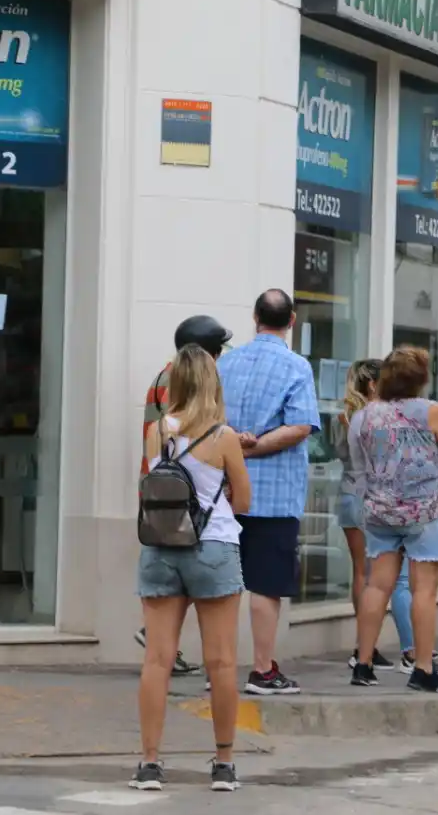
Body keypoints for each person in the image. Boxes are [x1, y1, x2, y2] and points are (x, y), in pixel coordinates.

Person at [133, 344, 250, 792]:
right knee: (220, 663)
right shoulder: (224, 437)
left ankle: (148, 763)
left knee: (157, 660)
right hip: (213, 548)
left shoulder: (157, 430)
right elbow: (242, 501)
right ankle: (223, 764)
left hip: (162, 546)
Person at [217, 289, 321, 695]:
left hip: (224, 491)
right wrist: (255, 445)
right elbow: (299, 426)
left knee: (223, 584)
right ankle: (262, 670)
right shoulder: (297, 366)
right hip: (274, 495)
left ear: (255, 317)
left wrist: (233, 446)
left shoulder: (227, 362)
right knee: (265, 585)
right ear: (291, 321)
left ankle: (219, 667)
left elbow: (209, 420)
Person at [349, 347, 438, 694]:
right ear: (421, 379)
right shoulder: (432, 412)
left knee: (377, 585)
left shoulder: (364, 416)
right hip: (426, 511)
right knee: (423, 590)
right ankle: (423, 667)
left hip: (381, 511)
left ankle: (364, 664)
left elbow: (359, 465)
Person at [135, 315, 233, 678]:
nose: (220, 357)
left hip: (168, 492)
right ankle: (160, 639)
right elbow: (189, 431)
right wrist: (225, 447)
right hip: (179, 496)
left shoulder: (167, 375)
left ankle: (161, 641)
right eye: (217, 350)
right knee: (192, 566)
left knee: (182, 567)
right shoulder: (176, 381)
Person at [335, 359, 398, 671]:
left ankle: (364, 645)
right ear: (373, 384)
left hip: (347, 494)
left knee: (361, 570)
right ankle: (364, 647)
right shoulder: (372, 417)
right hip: (367, 497)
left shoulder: (345, 415)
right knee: (373, 574)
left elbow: (338, 452)